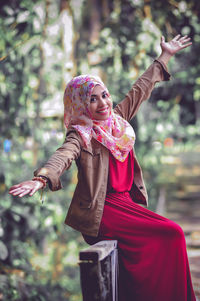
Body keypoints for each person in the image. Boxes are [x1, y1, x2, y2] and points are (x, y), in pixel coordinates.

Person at [9, 35, 196, 301]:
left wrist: (165, 56)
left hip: (126, 204)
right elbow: (62, 156)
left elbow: (141, 89)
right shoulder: (81, 135)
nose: (103, 103)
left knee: (163, 241)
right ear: (81, 105)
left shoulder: (117, 121)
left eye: (104, 95)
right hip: (104, 210)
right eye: (93, 99)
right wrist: (41, 179)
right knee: (174, 233)